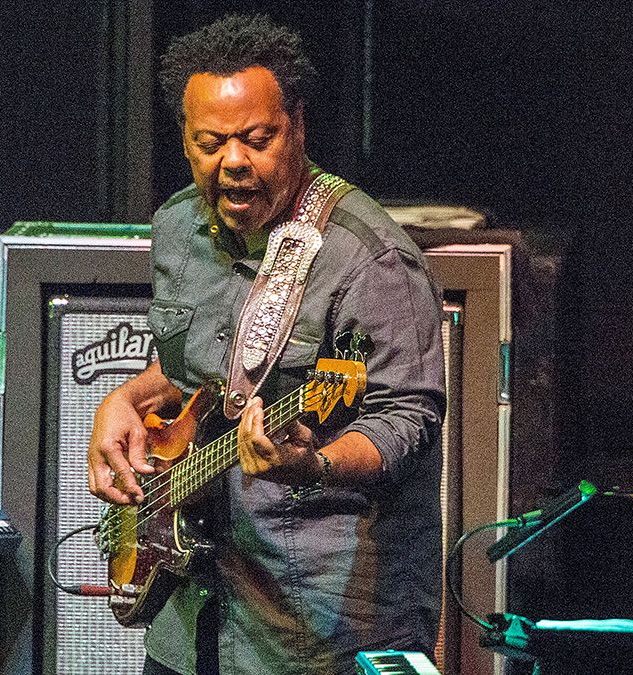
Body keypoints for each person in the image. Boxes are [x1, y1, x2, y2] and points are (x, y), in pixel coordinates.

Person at [86, 15, 446, 675]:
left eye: (257, 138)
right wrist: (124, 399)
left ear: (298, 125)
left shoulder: (371, 258)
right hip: (192, 614)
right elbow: (190, 363)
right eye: (210, 142)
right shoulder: (177, 226)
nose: (233, 162)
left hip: (317, 631)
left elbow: (408, 416)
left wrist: (314, 466)